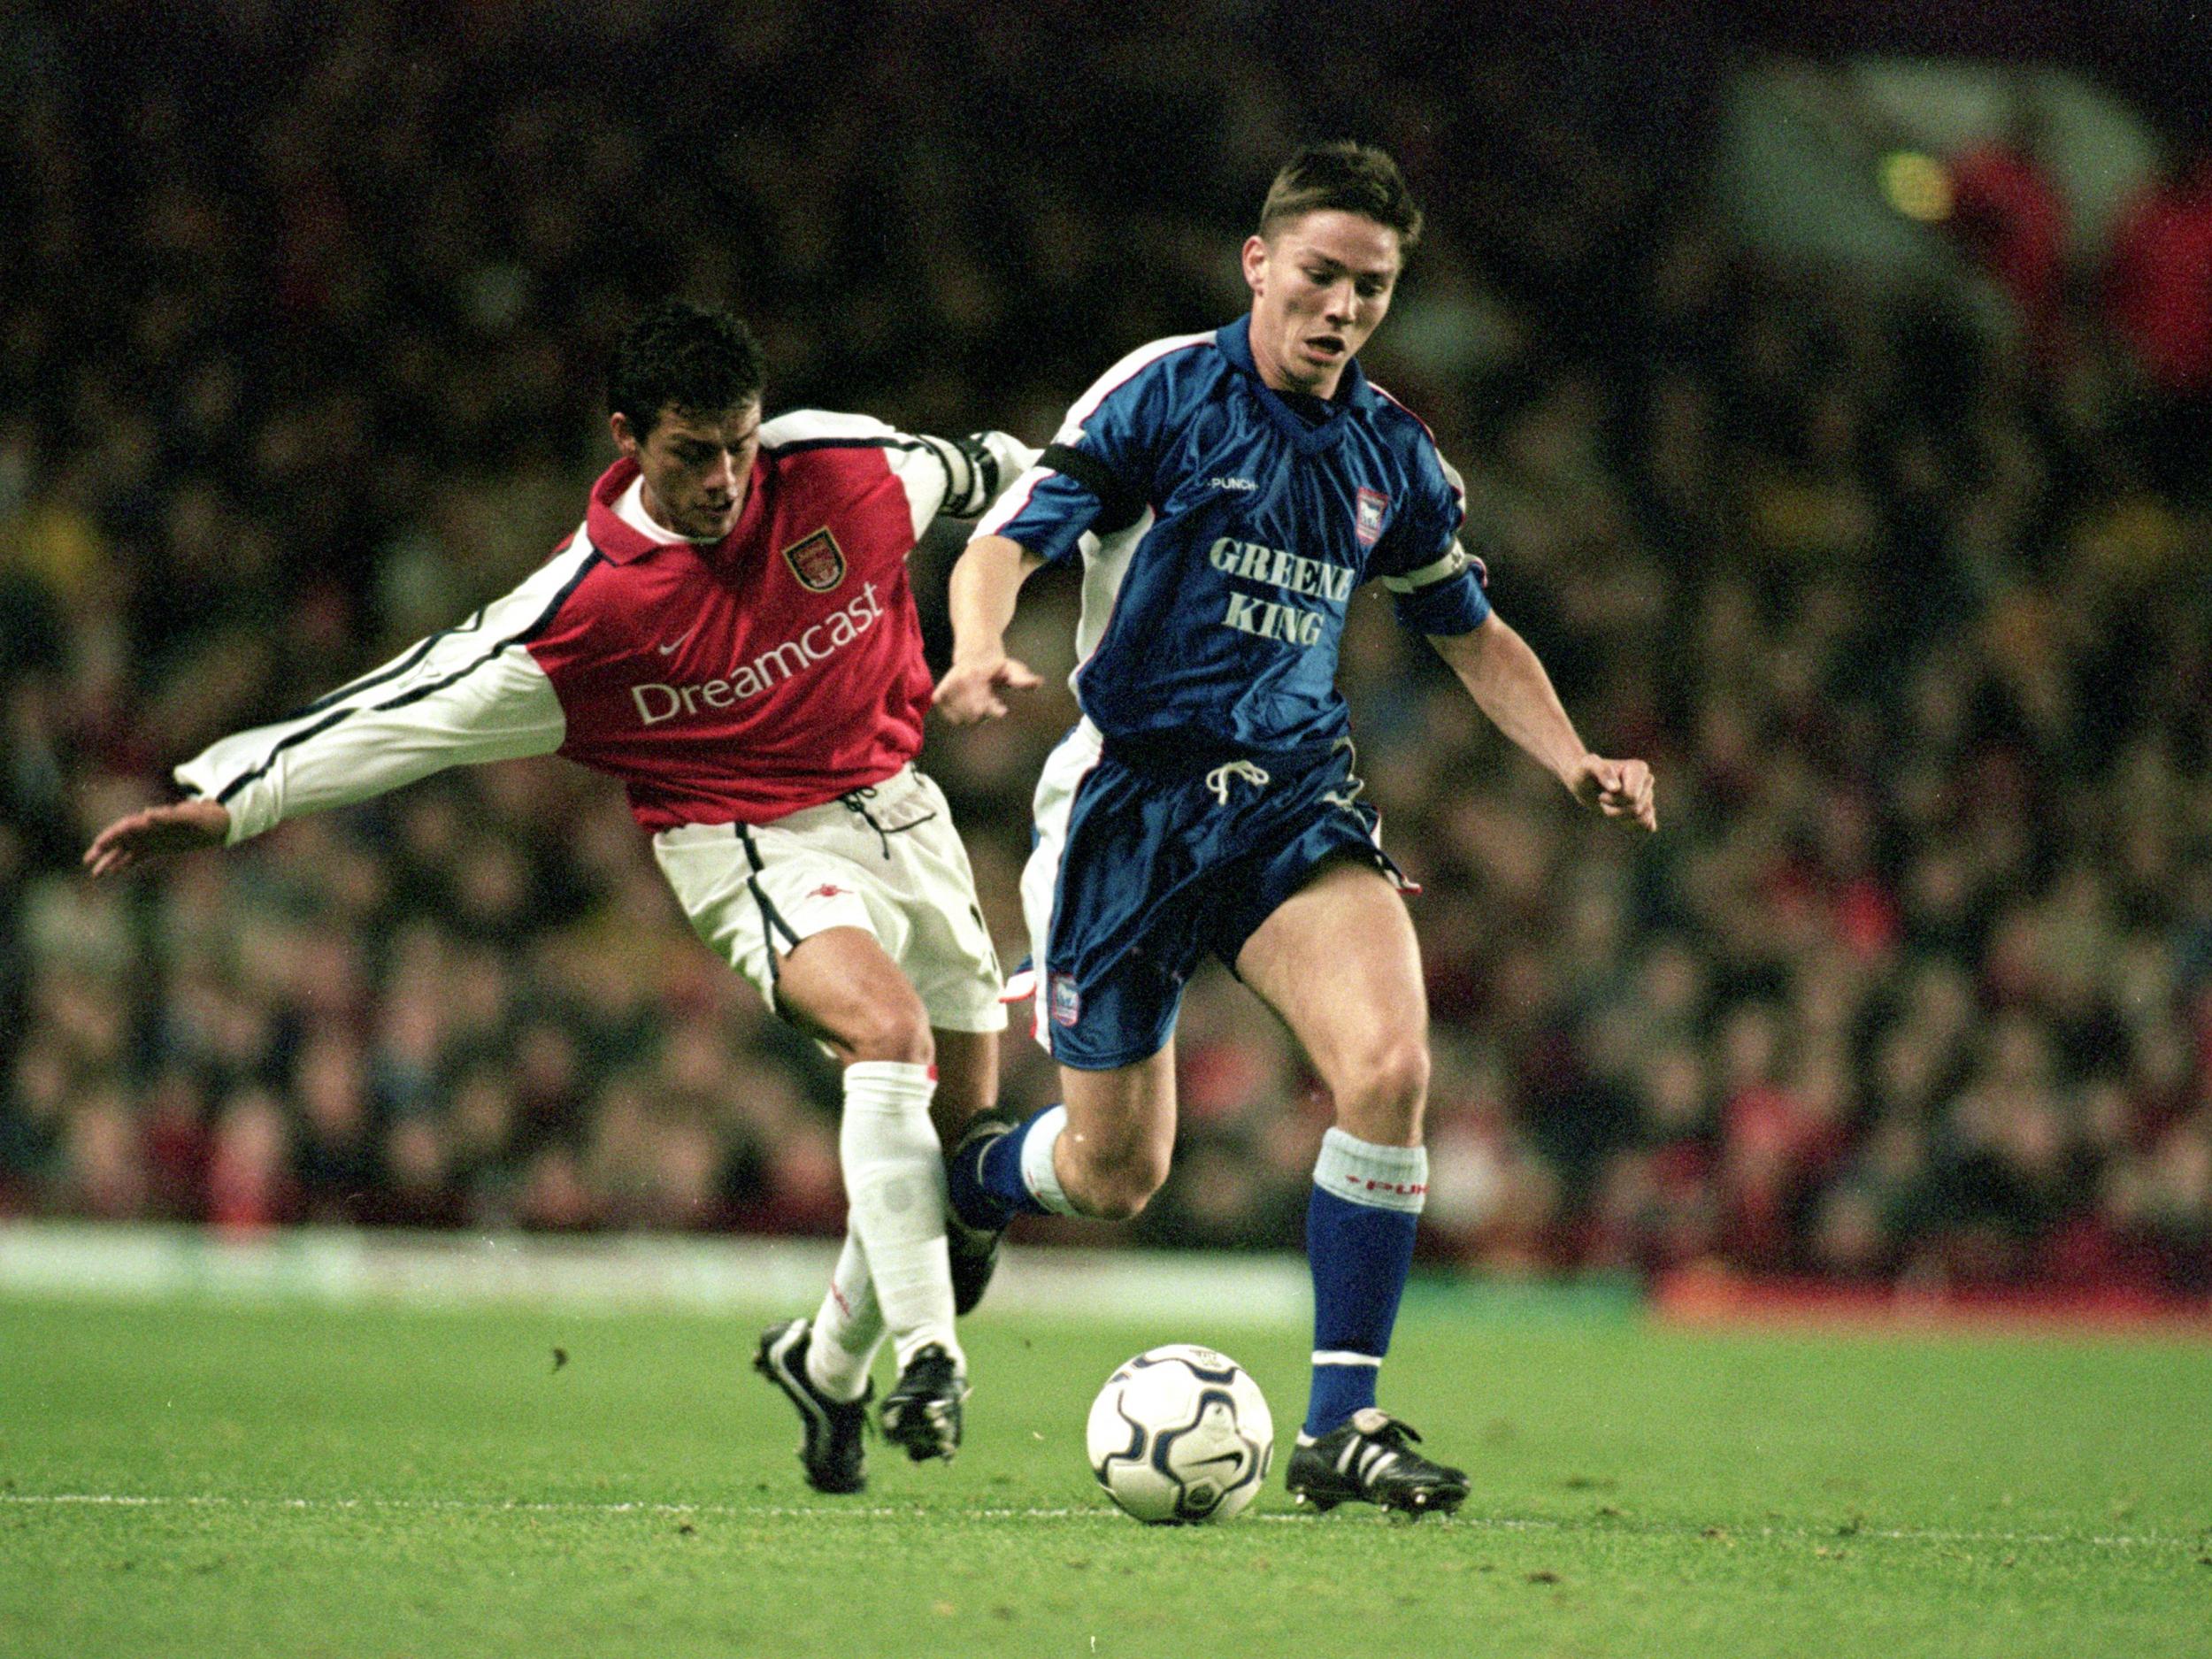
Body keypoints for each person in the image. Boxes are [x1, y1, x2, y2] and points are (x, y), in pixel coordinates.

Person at [84, 299, 1035, 1493]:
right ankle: (930, 1363)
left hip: (903, 810)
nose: (728, 478)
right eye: (695, 453)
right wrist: (234, 799)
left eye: (739, 443)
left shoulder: (841, 470)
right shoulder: (586, 610)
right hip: (746, 839)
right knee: (885, 1036)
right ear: (627, 436)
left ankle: (827, 1363)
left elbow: (1004, 473)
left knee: (962, 1192)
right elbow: (406, 706)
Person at [935, 142, 1657, 1517]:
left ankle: (1341, 1422)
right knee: (1112, 1173)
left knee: (1388, 1066)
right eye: (1321, 275)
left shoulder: (1391, 452)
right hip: (1130, 806)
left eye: (1371, 289)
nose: (1341, 308)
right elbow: (1007, 542)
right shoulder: (1165, 392)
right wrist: (976, 647)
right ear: (1259, 265)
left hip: (1287, 799)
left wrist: (1574, 758)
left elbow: (1470, 630)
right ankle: (975, 1173)